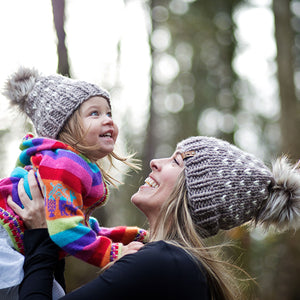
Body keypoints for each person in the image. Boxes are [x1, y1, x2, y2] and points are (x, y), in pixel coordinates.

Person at [12, 135, 300, 299]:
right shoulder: (172, 263)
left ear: (193, 194)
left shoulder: (162, 262)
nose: (155, 162)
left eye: (176, 161)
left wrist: (42, 232)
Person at [0, 67, 147, 299]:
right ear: (64, 128)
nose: (108, 120)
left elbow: (80, 226)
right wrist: (112, 252)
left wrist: (131, 235)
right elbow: (65, 229)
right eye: (95, 114)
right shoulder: (64, 164)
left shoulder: (68, 164)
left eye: (109, 113)